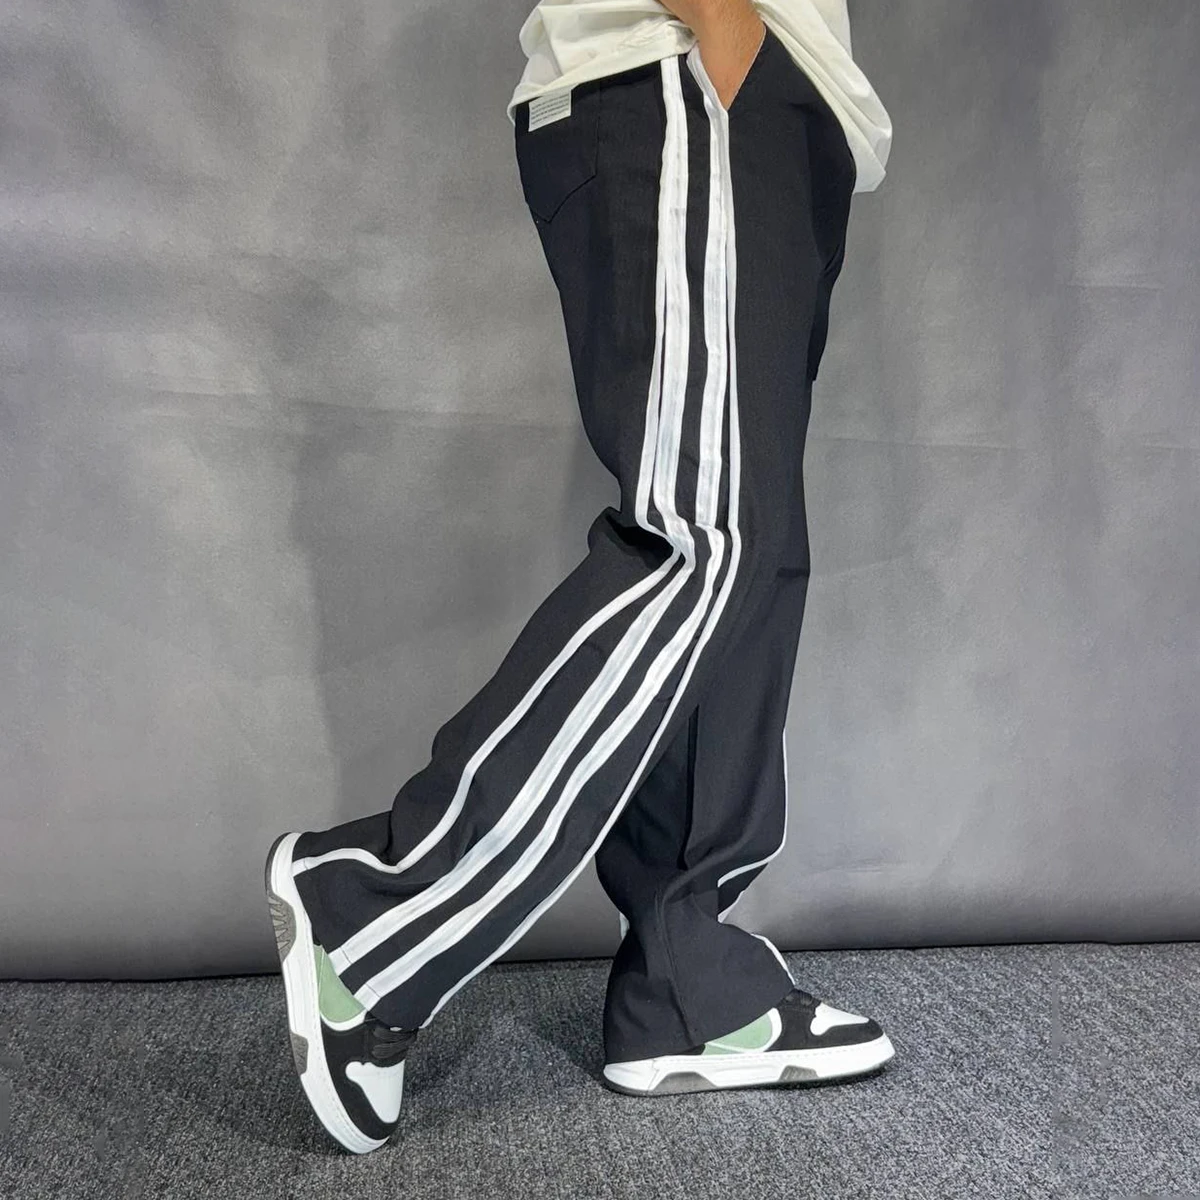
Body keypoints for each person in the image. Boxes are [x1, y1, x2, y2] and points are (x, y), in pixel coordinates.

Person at [264, 0, 895, 1155]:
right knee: (704, 538)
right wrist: (726, 36)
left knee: (748, 560)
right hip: (694, 67)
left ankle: (686, 984)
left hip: (784, 105)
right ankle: (379, 913)